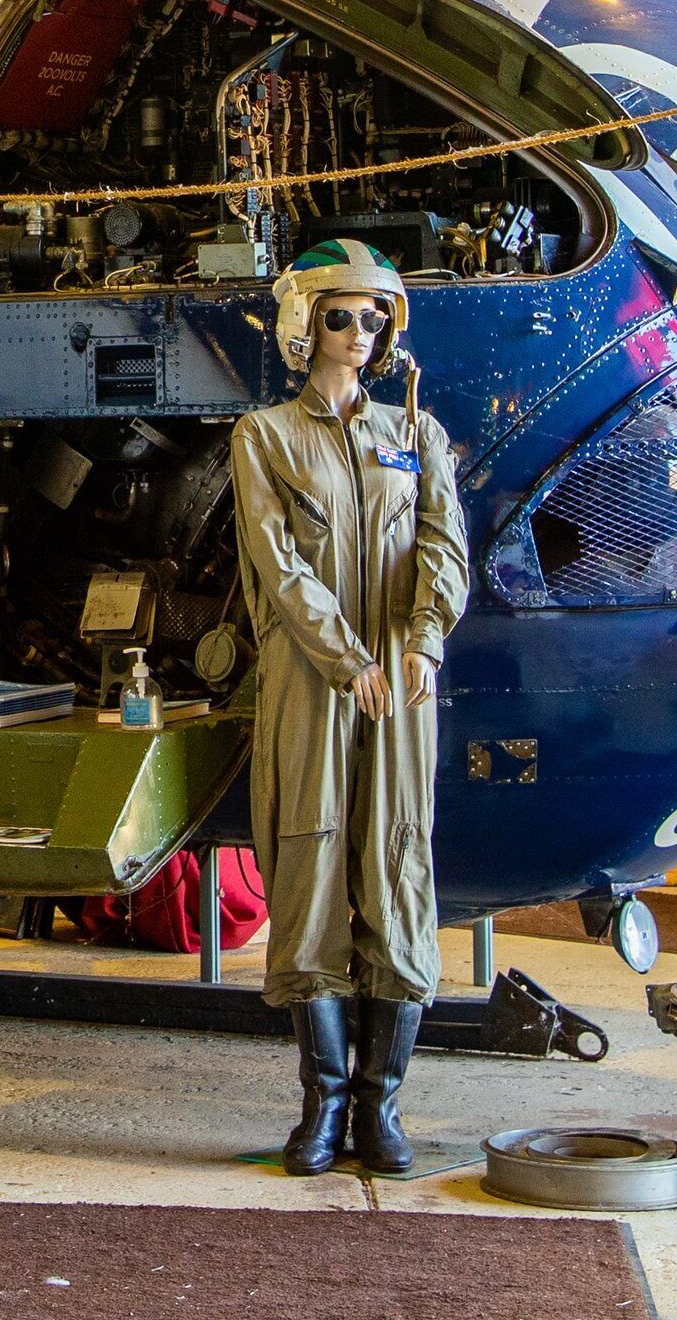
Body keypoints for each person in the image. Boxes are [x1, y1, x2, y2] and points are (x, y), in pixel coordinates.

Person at [228, 240, 469, 1176]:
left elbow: (444, 545)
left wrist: (421, 640)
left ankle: (382, 1109)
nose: (360, 333)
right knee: (311, 861)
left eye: (377, 318)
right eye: (343, 315)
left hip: (404, 686)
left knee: (399, 866)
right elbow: (278, 566)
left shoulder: (417, 435)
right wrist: (345, 658)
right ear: (304, 322)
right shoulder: (265, 438)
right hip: (312, 683)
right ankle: (321, 1107)